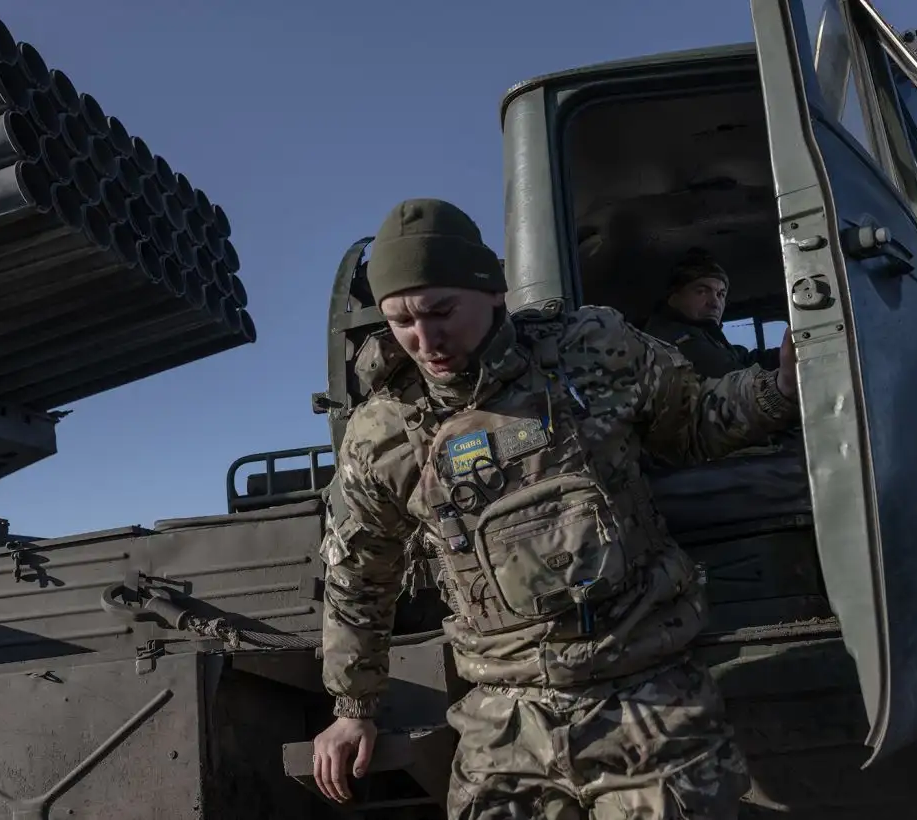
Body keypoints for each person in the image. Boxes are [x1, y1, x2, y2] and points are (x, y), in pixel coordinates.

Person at [311, 198, 800, 819]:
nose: (425, 340)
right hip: (503, 717)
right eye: (401, 321)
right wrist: (353, 710)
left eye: (440, 312)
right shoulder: (379, 433)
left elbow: (694, 423)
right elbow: (360, 572)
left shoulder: (593, 349)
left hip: (646, 695)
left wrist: (778, 389)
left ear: (493, 292)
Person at [643, 248, 781, 378]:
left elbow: (744, 358)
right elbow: (733, 379)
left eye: (720, 294)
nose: (715, 303)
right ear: (674, 299)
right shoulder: (674, 339)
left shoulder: (706, 335)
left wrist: (791, 351)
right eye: (701, 291)